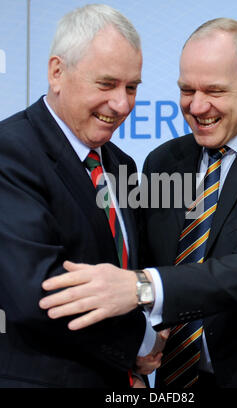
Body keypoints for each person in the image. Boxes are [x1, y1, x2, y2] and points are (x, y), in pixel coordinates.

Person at [39, 18, 237, 388]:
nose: (197, 106)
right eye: (186, 90)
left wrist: (140, 287)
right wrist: (135, 342)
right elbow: (140, 257)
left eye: (214, 90)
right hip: (169, 381)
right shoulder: (162, 161)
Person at [0, 3, 164, 388]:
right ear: (57, 72)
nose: (122, 104)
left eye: (132, 87)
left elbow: (126, 273)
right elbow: (40, 291)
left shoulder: (121, 163)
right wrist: (139, 343)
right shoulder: (11, 152)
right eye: (106, 84)